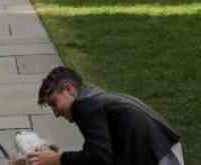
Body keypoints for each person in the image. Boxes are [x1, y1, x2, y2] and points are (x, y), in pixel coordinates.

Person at [27, 66, 183, 165]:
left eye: (54, 103)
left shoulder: (85, 105)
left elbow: (98, 158)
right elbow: (101, 153)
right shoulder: (94, 98)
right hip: (162, 150)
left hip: (158, 156)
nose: (55, 113)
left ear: (69, 89)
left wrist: (57, 160)